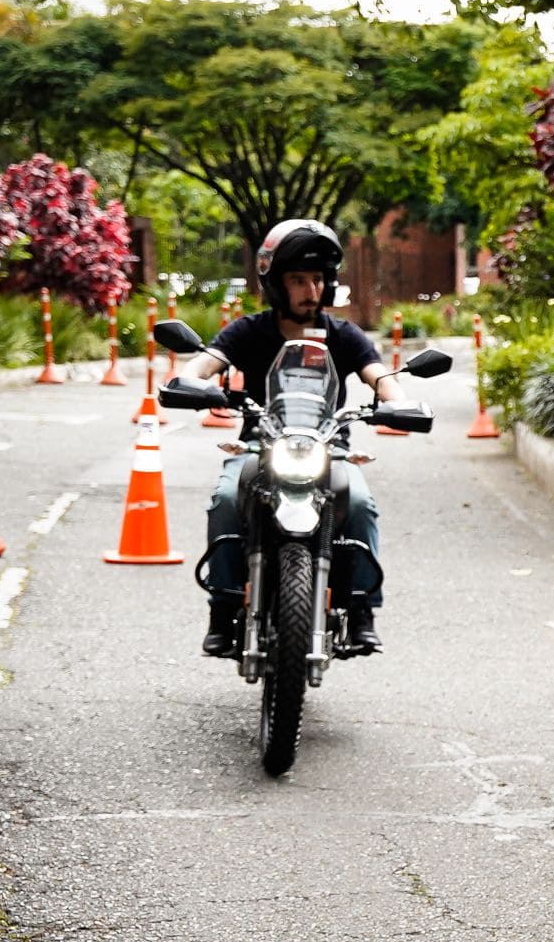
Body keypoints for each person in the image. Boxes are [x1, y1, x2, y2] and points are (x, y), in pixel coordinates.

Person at [170, 220, 406, 660]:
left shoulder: (344, 335)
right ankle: (222, 608)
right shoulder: (249, 331)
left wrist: (398, 402)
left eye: (318, 279)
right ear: (276, 284)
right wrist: (191, 382)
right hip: (260, 446)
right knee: (226, 498)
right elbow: (205, 363)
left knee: (358, 503)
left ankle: (362, 611)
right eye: (298, 280)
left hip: (328, 449)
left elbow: (380, 376)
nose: (310, 290)